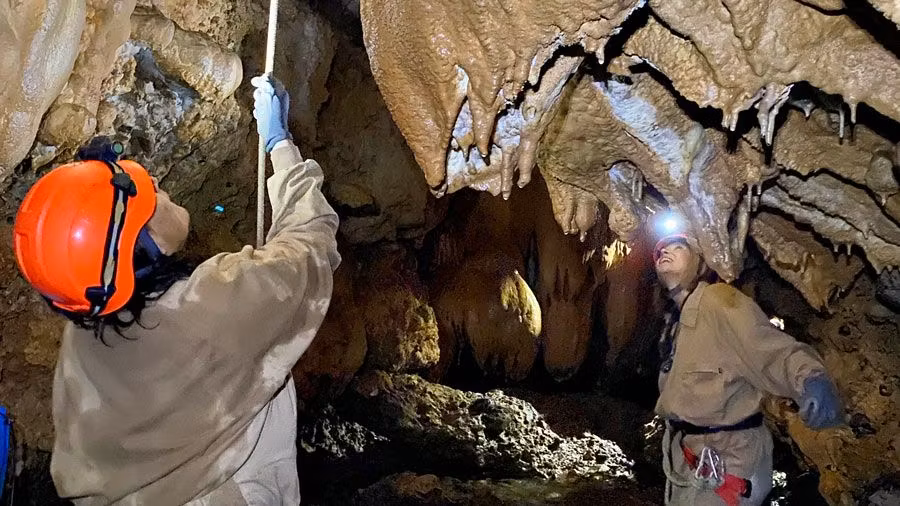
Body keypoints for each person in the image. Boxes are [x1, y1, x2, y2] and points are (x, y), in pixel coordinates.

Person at [11, 75, 339, 505]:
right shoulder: (210, 309)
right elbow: (311, 242)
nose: (157, 185)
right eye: (150, 195)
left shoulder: (84, 338)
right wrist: (280, 144)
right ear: (140, 246)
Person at [650, 211, 842, 506]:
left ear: (701, 263)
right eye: (661, 249)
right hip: (692, 460)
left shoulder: (718, 301)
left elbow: (767, 348)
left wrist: (809, 378)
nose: (665, 251)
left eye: (678, 247)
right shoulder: (674, 323)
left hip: (729, 463)